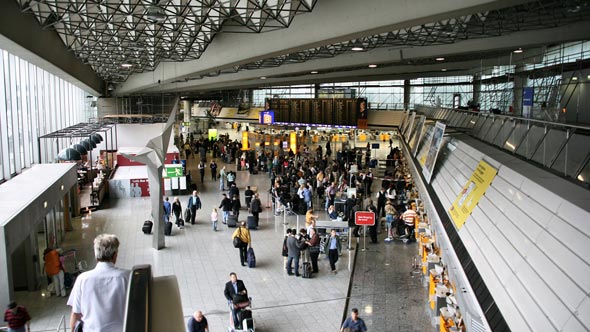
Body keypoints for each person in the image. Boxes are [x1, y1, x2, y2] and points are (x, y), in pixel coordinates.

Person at [68, 234, 130, 332]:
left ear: (96, 256)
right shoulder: (127, 277)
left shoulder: (82, 279)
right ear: (115, 256)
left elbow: (76, 314)